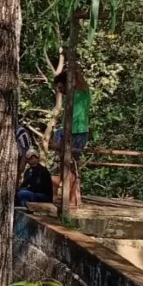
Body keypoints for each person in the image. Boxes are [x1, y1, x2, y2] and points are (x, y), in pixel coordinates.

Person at [49, 69, 91, 208]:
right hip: (66, 131)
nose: (59, 91)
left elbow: (77, 73)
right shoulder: (69, 98)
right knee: (58, 164)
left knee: (71, 165)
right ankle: (56, 197)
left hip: (78, 133)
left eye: (61, 87)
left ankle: (72, 199)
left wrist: (69, 61)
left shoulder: (82, 92)